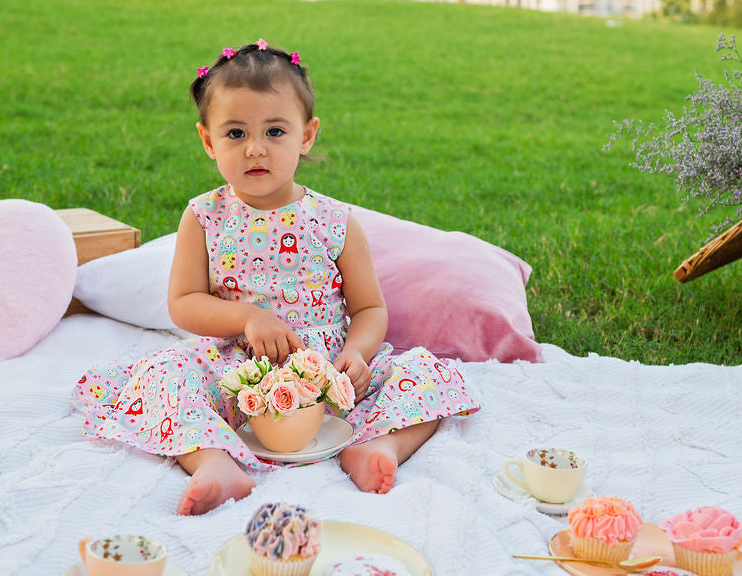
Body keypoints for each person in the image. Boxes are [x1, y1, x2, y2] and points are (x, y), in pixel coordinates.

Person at [71, 40, 479, 516]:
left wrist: (356, 354)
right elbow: (183, 303)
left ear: (306, 136)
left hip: (327, 378)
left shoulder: (334, 220)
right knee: (162, 374)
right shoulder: (204, 216)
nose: (256, 148)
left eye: (276, 131)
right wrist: (246, 318)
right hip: (238, 377)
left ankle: (375, 448)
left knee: (428, 374)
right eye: (236, 133)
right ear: (208, 140)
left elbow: (369, 308)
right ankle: (214, 462)